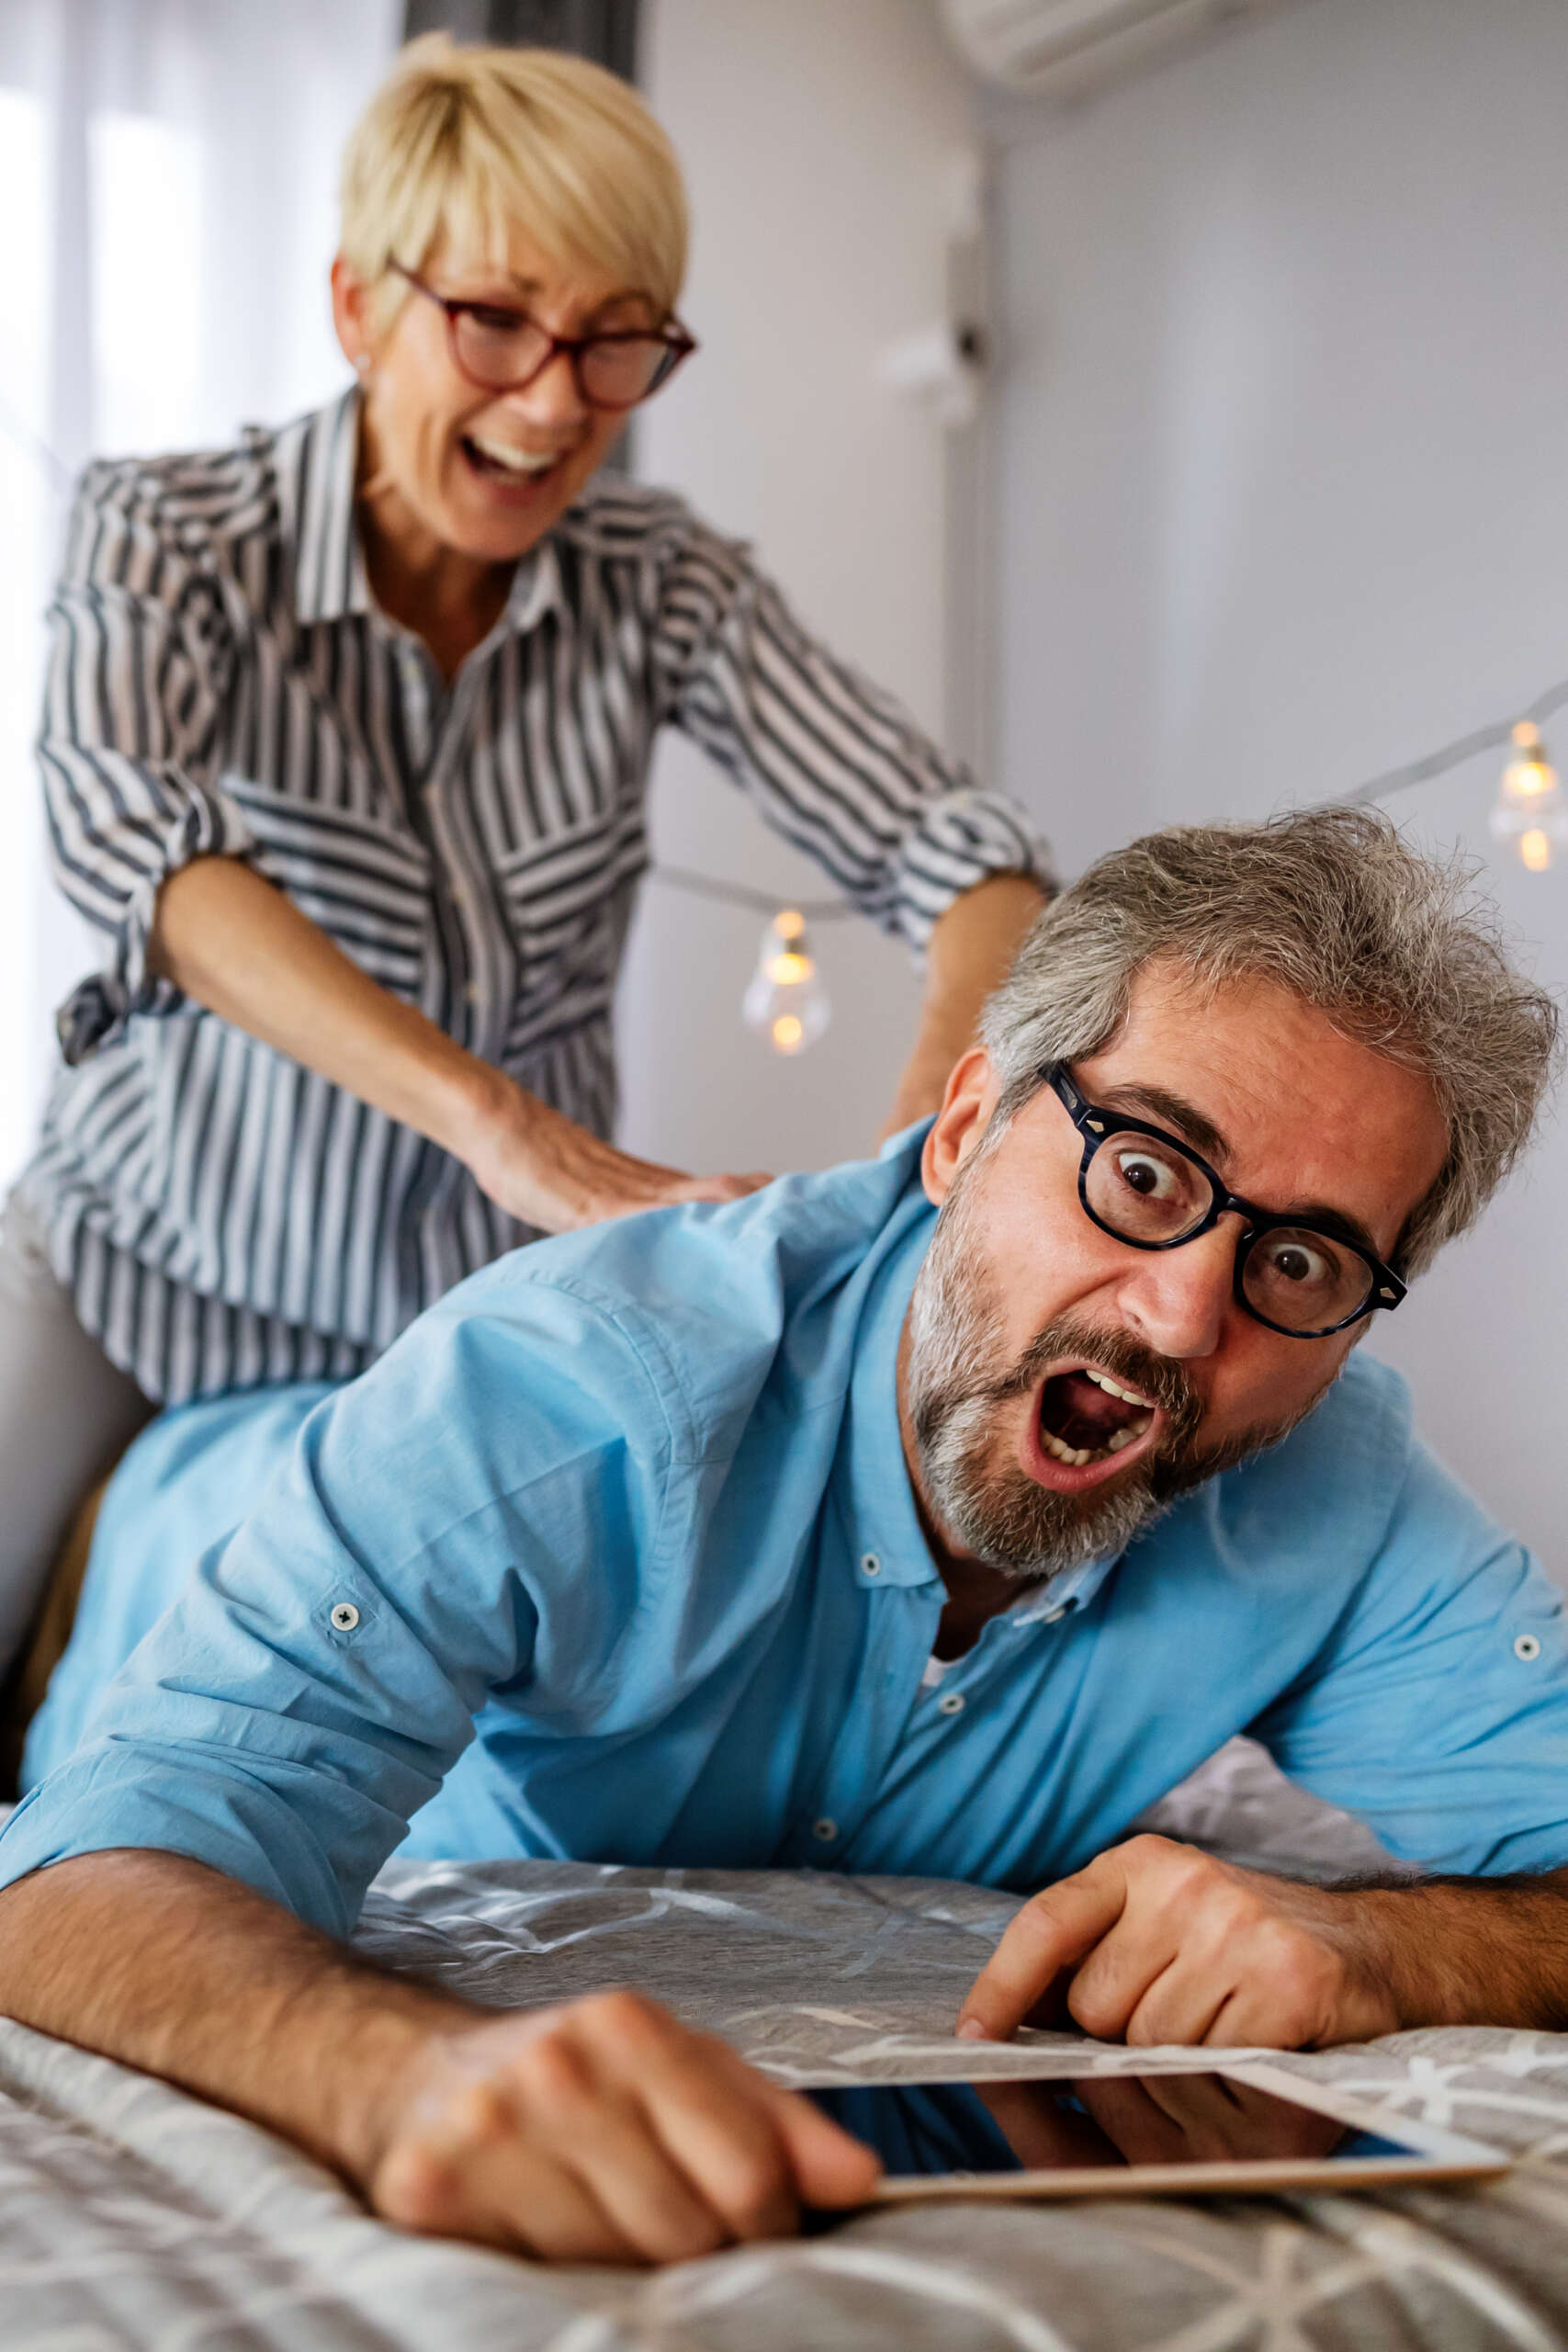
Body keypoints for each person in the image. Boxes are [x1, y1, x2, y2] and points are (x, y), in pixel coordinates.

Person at [3, 806, 1565, 2269]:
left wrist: (1399, 1951)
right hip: (172, 1509)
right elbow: (67, 1887)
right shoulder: (568, 1383)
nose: (1183, 1313)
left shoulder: (1339, 1488)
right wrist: (387, 2073)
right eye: (1142, 1170)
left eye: (1301, 1262)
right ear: (963, 1129)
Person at [0, 34, 1049, 1678]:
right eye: (494, 321)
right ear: (359, 306)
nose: (556, 401)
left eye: (615, 342)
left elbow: (968, 857)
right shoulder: (170, 531)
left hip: (462, 1334)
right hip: (149, 1277)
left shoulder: (662, 584)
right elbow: (139, 848)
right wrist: (507, 1131)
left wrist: (934, 1138)